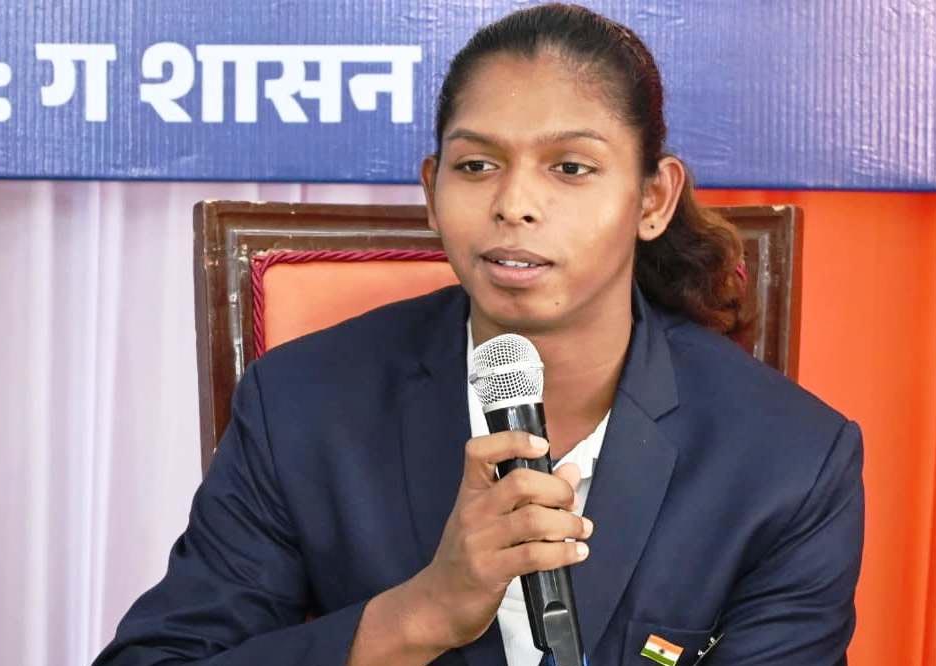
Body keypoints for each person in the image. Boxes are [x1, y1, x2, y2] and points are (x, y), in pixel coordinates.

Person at [94, 4, 864, 665]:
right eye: (475, 166)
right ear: (431, 193)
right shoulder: (302, 405)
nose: (513, 203)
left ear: (652, 199)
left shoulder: (788, 461)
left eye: (569, 167)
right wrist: (421, 613)